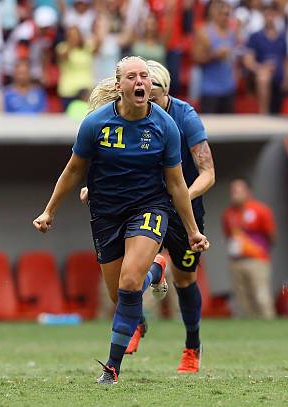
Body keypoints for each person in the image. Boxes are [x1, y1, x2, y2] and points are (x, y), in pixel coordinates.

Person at [33, 56, 209, 385]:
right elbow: (74, 169)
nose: (141, 82)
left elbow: (176, 183)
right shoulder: (96, 124)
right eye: (133, 77)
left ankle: (112, 368)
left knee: (132, 282)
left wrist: (193, 230)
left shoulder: (168, 124)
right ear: (119, 86)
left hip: (150, 208)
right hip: (106, 212)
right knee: (120, 294)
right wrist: (49, 210)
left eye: (145, 76)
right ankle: (154, 272)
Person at [80, 60, 215, 373]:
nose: (144, 102)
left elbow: (208, 173)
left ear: (163, 91)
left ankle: (192, 346)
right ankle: (135, 323)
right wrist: (93, 186)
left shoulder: (184, 117)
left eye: (151, 94)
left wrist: (182, 197)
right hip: (145, 203)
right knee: (126, 279)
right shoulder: (128, 113)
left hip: (183, 204)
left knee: (184, 280)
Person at [222, 179, 276, 319]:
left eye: (238, 191)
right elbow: (228, 235)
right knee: (242, 299)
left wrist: (259, 250)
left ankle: (271, 327)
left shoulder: (260, 210)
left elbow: (271, 235)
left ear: (248, 192)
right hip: (236, 261)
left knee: (261, 296)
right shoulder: (228, 213)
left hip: (257, 260)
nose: (235, 194)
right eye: (233, 191)